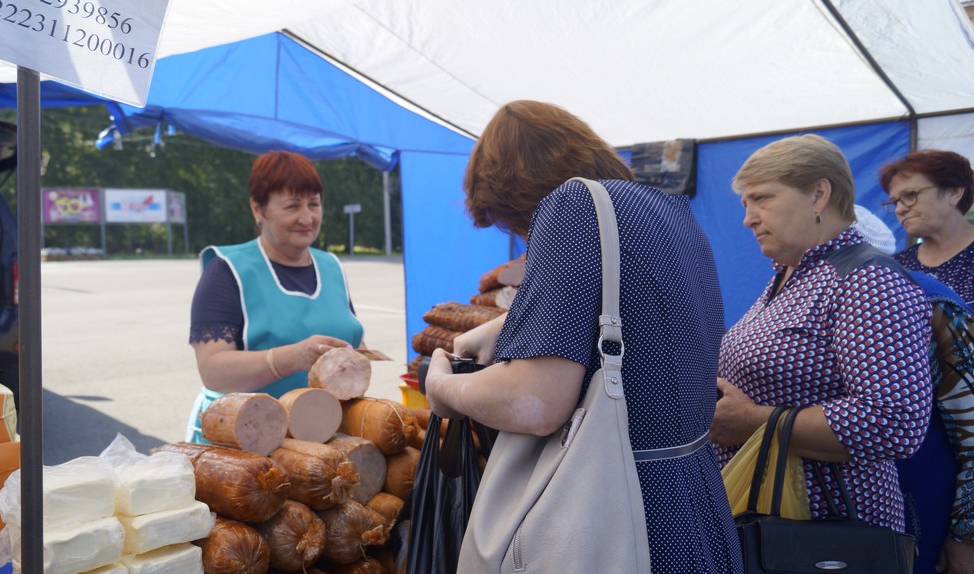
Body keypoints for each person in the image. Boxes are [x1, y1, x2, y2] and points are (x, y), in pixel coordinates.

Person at [423, 100, 743, 572]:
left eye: (517, 224)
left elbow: (536, 401)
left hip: (619, 515)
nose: (526, 238)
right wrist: (511, 326)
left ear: (518, 191)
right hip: (694, 501)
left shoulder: (570, 204)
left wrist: (444, 388)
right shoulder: (670, 211)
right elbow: (641, 323)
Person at [710, 134, 933, 534]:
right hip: (773, 521)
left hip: (828, 530)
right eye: (746, 204)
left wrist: (756, 421)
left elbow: (894, 420)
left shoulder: (868, 280)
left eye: (762, 199)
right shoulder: (794, 276)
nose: (748, 218)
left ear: (818, 194)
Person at [185, 150, 364, 443]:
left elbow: (351, 339)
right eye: (292, 206)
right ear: (258, 209)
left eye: (314, 204)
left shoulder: (331, 266)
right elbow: (213, 371)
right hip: (249, 443)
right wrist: (293, 357)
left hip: (328, 440)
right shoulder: (227, 270)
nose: (307, 217)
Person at [854, 207, 974, 574]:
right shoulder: (794, 299)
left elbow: (971, 428)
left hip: (917, 512)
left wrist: (966, 536)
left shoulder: (930, 299)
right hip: (843, 520)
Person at [879, 149, 974, 305]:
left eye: (910, 195)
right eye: (895, 202)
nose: (899, 209)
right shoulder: (895, 268)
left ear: (954, 192)